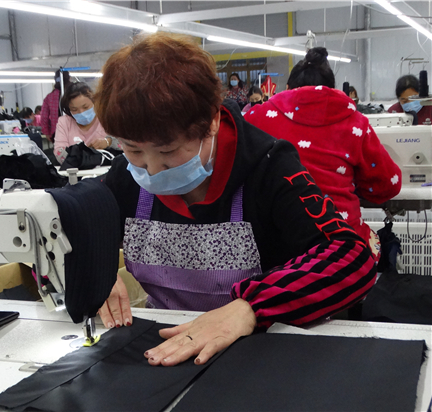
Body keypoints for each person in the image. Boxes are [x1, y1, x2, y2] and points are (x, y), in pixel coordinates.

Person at [95, 33, 377, 367]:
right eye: (133, 149)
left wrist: (251, 307)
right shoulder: (126, 178)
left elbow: (352, 259)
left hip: (261, 350)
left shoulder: (269, 167)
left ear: (211, 122)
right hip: (165, 346)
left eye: (168, 151)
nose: (152, 170)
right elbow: (74, 220)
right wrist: (95, 270)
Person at [244, 47, 401, 259]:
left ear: (287, 88)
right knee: (374, 244)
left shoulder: (255, 117)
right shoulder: (355, 122)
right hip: (341, 249)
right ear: (331, 91)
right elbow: (388, 184)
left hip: (275, 250)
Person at [53, 82, 120, 165]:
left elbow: (126, 143)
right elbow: (59, 152)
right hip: (76, 171)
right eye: (74, 109)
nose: (81, 112)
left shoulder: (105, 117)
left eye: (85, 107)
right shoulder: (64, 122)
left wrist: (108, 142)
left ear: (94, 101)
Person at [41, 69, 70, 142]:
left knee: (60, 149)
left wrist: (47, 133)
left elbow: (44, 117)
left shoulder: (49, 97)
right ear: (69, 78)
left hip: (56, 132)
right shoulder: (74, 94)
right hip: (74, 130)